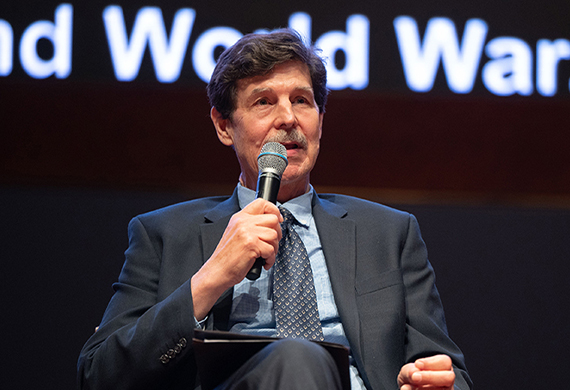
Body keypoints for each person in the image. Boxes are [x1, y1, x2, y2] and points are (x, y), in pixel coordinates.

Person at [77, 29, 472, 390]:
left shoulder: (389, 233)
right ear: (224, 126)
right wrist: (210, 279)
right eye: (264, 102)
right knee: (296, 354)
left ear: (321, 119)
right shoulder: (163, 234)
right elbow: (99, 375)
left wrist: (434, 382)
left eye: (302, 100)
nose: (288, 118)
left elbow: (449, 370)